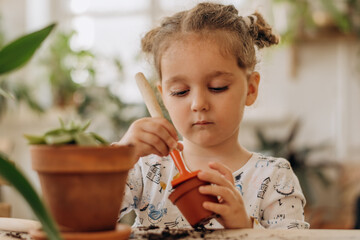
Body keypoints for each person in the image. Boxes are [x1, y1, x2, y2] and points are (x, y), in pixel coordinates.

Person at [116, 2, 310, 229]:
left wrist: (246, 227)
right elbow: (81, 220)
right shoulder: (144, 169)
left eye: (217, 87)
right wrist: (118, 159)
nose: (199, 104)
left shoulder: (274, 178)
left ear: (250, 89)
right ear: (164, 97)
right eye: (180, 92)